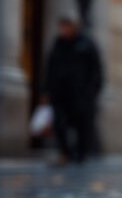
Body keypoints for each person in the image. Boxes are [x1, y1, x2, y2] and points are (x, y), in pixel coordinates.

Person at [43, 15, 104, 164]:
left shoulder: (87, 44)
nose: (64, 30)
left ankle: (81, 155)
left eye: (67, 26)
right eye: (62, 27)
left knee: (82, 125)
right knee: (59, 123)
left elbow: (96, 70)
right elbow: (50, 68)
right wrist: (45, 90)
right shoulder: (58, 44)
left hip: (81, 93)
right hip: (60, 92)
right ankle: (65, 153)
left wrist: (92, 91)